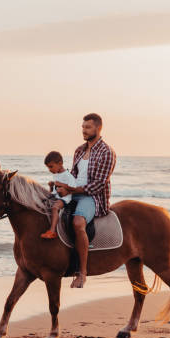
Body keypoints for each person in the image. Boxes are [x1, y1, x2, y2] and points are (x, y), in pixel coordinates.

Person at [55, 113, 116, 289]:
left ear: (98, 128)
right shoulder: (79, 150)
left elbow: (98, 184)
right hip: (74, 192)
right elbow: (74, 176)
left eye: (87, 127)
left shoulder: (106, 152)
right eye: (82, 127)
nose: (84, 130)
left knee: (78, 222)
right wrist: (62, 185)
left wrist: (72, 190)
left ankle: (82, 273)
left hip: (92, 197)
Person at [40, 151, 76, 239]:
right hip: (58, 197)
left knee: (55, 208)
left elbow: (74, 188)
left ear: (60, 164)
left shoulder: (68, 175)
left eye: (51, 167)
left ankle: (52, 231)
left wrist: (62, 185)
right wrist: (51, 187)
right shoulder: (56, 175)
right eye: (48, 168)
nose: (50, 170)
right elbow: (55, 192)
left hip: (66, 199)